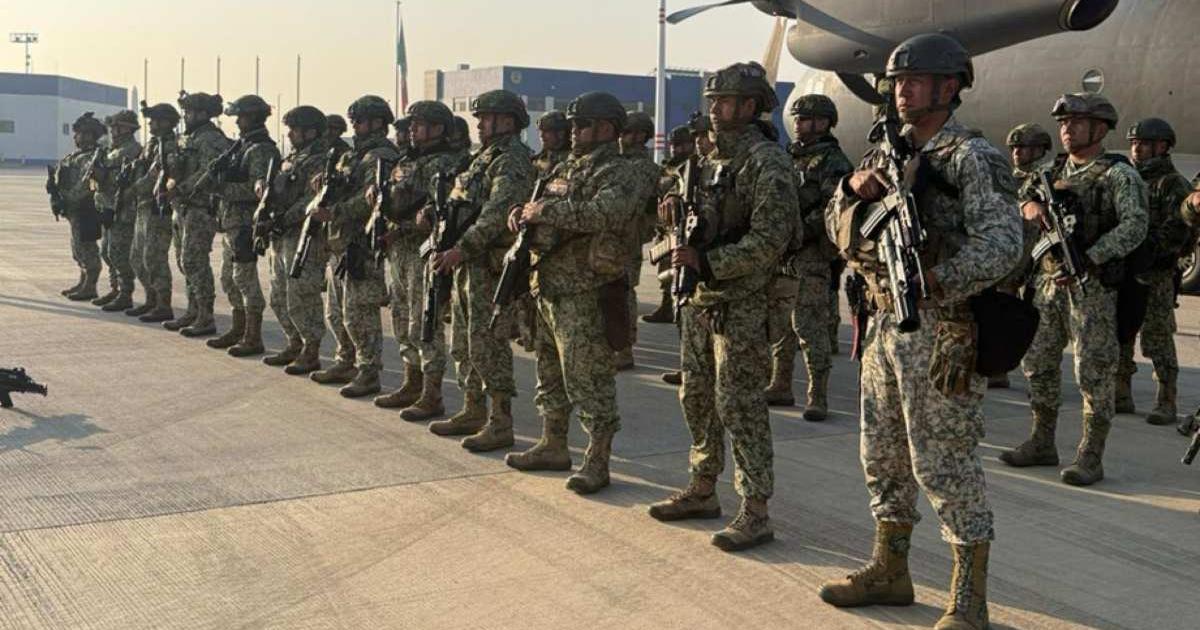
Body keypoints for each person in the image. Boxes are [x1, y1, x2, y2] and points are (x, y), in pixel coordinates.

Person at [818, 35, 1022, 630]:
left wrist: (937, 280)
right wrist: (851, 192)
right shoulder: (884, 152)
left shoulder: (971, 157)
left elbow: (1004, 244)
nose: (901, 90)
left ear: (949, 87)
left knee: (945, 463)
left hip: (941, 329)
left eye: (915, 80)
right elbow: (834, 228)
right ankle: (891, 570)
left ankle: (969, 598)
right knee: (882, 455)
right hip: (882, 324)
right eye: (897, 82)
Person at [646, 62, 795, 552]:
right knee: (696, 396)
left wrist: (709, 262)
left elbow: (771, 240)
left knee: (740, 405)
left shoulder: (766, 163)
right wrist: (673, 208)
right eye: (712, 101)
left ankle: (756, 509)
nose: (715, 110)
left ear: (751, 106)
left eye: (726, 101)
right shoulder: (705, 160)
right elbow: (685, 205)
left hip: (742, 301)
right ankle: (703, 486)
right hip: (700, 298)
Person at [998, 93, 1148, 488]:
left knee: (1093, 371)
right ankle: (1042, 441)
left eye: (1076, 123)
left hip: (1092, 288)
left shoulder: (1119, 175)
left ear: (1099, 129)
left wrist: (1091, 257)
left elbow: (1135, 225)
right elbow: (1020, 199)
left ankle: (1090, 455)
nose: (1067, 129)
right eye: (1064, 123)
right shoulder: (1049, 171)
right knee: (1038, 363)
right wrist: (1029, 207)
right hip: (1047, 285)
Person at [502, 91, 637, 494]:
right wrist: (521, 213)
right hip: (548, 285)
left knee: (588, 378)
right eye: (573, 124)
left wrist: (544, 212)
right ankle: (553, 443)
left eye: (582, 125)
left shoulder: (618, 171)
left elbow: (604, 213)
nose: (573, 131)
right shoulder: (564, 166)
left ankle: (597, 460)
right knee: (549, 372)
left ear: (607, 128)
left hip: (586, 290)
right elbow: (541, 204)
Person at [423, 90, 534, 451]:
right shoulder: (480, 159)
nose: (480, 124)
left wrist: (462, 248)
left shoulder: (512, 160)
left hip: (488, 266)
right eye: (480, 118)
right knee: (464, 344)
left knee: (488, 345)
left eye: (487, 118)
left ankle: (500, 422)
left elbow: (497, 213)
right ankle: (472, 410)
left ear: (508, 121)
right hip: (467, 265)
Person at [369, 100, 468, 416]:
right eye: (411, 124)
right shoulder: (406, 160)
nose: (412, 129)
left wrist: (405, 225)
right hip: (399, 250)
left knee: (424, 322)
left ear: (438, 128)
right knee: (400, 317)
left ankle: (431, 393)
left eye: (419, 124)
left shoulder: (446, 163)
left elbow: (442, 212)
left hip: (424, 251)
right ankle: (411, 383)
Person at [763, 94, 853, 420]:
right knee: (780, 322)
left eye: (805, 119)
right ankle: (781, 384)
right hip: (781, 253)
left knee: (809, 325)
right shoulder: (787, 157)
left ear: (824, 123)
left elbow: (834, 207)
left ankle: (818, 395)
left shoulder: (834, 161)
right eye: (797, 119)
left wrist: (798, 232)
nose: (798, 125)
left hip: (811, 254)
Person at [305, 95, 402, 397]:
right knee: (336, 312)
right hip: (339, 243)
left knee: (360, 314)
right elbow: (340, 186)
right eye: (354, 121)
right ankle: (345, 361)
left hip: (360, 244)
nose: (355, 126)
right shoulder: (352, 155)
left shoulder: (382, 156)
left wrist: (335, 212)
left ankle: (368, 370)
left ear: (377, 123)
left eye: (359, 121)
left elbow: (371, 200)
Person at [1116, 118, 1192, 425]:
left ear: (1162, 147)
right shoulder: (1127, 178)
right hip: (1124, 271)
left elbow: (1178, 230)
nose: (1137, 149)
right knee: (1121, 332)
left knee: (1157, 337)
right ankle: (1121, 392)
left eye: (1144, 144)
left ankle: (1166, 399)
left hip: (1156, 274)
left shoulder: (1172, 184)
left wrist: (1146, 253)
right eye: (1134, 143)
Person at [206, 95, 280, 356]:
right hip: (231, 223)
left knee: (245, 280)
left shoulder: (261, 149)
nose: (238, 122)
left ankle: (253, 335)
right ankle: (238, 328)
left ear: (255, 118)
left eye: (243, 117)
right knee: (229, 279)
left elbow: (257, 190)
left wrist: (220, 188)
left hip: (246, 224)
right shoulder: (242, 146)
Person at [260, 105, 331, 374]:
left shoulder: (320, 160)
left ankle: (311, 350)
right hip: (281, 235)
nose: (289, 134)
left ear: (310, 132)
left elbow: (311, 199)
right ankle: (294, 343)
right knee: (278, 294)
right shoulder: (292, 157)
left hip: (303, 236)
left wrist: (284, 218)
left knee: (301, 295)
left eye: (294, 130)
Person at [165, 91, 232, 337]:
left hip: (200, 207)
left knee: (195, 261)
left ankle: (206, 315)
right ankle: (193, 310)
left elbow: (208, 172)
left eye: (190, 112)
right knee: (185, 262)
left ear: (203, 114)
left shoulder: (211, 139)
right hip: (183, 207)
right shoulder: (188, 138)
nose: (186, 116)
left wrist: (181, 188)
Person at [615, 110, 662, 371]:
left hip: (628, 237)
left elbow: (632, 204)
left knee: (623, 292)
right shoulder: (619, 163)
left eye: (634, 133)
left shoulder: (643, 168)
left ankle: (624, 348)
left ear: (644, 136)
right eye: (625, 133)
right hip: (614, 236)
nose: (628, 138)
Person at [127, 103, 180, 322]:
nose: (151, 124)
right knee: (136, 258)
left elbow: (154, 176)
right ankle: (151, 298)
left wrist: (133, 189)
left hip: (159, 210)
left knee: (154, 258)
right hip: (144, 207)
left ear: (167, 122)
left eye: (156, 120)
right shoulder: (152, 144)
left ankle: (163, 304)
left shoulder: (171, 146)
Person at [92, 110, 142, 312]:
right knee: (107, 252)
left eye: (116, 127)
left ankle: (125, 292)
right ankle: (115, 288)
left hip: (122, 210)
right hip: (107, 207)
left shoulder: (132, 150)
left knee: (119, 253)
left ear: (127, 129)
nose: (112, 131)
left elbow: (129, 183)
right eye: (112, 127)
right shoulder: (112, 149)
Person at [54, 112, 106, 302]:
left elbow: (87, 184)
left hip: (86, 208)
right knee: (77, 247)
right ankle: (83, 281)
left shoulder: (93, 157)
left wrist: (70, 198)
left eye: (84, 134)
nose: (78, 137)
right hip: (73, 209)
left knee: (87, 247)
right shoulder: (75, 156)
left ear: (92, 136)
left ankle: (90, 286)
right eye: (77, 134)